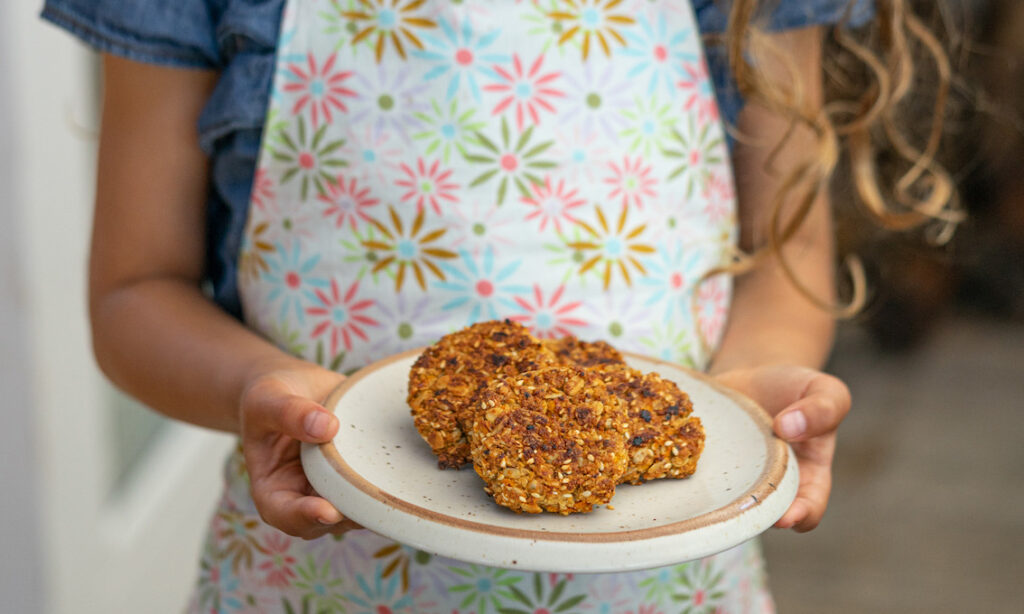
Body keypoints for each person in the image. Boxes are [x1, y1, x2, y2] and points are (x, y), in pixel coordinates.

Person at [41, 0, 953, 611]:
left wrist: (755, 396)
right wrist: (261, 387)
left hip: (665, 586)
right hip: (316, 578)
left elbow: (786, 264)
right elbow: (133, 292)